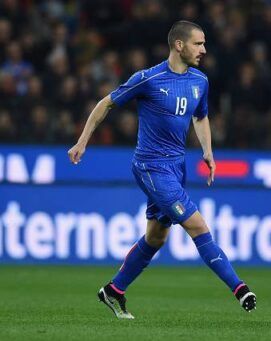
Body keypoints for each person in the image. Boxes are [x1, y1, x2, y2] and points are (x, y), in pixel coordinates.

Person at [68, 20, 256, 319]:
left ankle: (114, 291)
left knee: (156, 237)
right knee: (198, 226)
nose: (204, 49)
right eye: (198, 43)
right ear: (179, 45)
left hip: (176, 166)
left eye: (204, 43)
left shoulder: (200, 81)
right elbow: (106, 104)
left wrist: (208, 151)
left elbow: (201, 116)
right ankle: (240, 288)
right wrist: (82, 141)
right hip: (150, 167)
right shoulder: (149, 79)